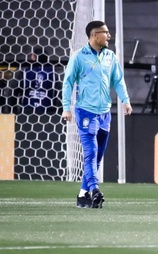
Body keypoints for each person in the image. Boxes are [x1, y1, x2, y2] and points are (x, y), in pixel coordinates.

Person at [62, 20, 133, 209]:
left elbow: (118, 80)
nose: (109, 36)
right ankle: (94, 190)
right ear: (94, 35)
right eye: (106, 32)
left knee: (98, 155)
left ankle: (83, 195)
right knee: (90, 153)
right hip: (86, 112)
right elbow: (68, 82)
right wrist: (66, 107)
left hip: (105, 113)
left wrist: (125, 100)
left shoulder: (110, 56)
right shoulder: (78, 57)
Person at [22, 47, 59, 114]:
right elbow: (58, 92)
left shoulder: (26, 71)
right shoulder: (52, 72)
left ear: (34, 57)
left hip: (27, 109)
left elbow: (13, 90)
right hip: (46, 109)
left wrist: (12, 109)